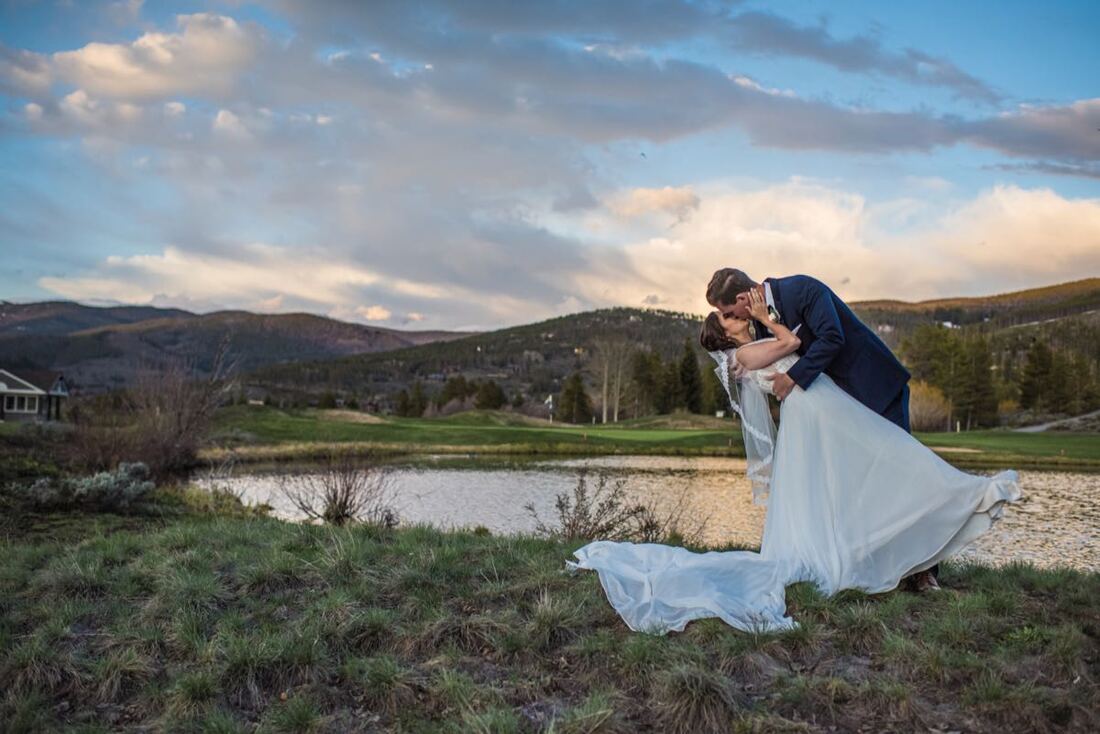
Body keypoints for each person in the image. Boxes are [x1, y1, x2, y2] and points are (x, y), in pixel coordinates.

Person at [567, 282, 1020, 635]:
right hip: (813, 409)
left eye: (733, 311)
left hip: (818, 405)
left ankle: (929, 536)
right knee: (885, 458)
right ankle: (951, 507)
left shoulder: (761, 329)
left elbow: (799, 344)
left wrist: (768, 320)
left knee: (881, 461)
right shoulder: (744, 352)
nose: (736, 318)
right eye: (728, 318)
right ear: (724, 333)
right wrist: (770, 320)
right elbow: (792, 347)